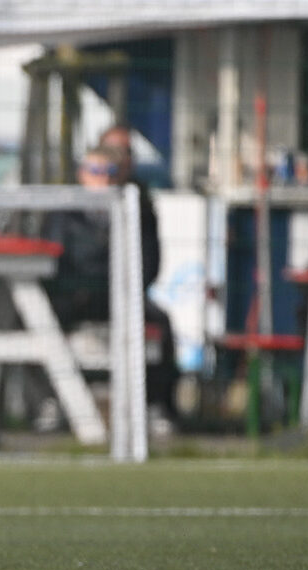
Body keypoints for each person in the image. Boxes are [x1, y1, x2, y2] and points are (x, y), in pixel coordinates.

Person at [99, 125, 179, 431]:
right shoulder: (77, 203)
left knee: (161, 326)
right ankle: (50, 404)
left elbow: (150, 261)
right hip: (83, 296)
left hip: (128, 296)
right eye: (112, 151)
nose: (119, 159)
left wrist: (128, 289)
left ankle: (158, 406)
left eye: (126, 152)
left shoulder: (141, 204)